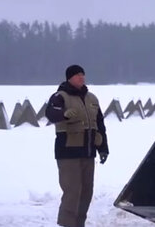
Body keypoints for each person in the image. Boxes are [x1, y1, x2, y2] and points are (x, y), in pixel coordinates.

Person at [46, 64, 109, 227]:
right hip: (68, 154)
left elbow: (100, 125)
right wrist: (64, 115)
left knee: (86, 193)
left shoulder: (92, 98)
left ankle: (79, 224)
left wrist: (103, 148)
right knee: (72, 193)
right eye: (77, 75)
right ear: (69, 78)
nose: (81, 77)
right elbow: (50, 114)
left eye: (83, 74)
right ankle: (67, 224)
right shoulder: (60, 96)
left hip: (88, 153)